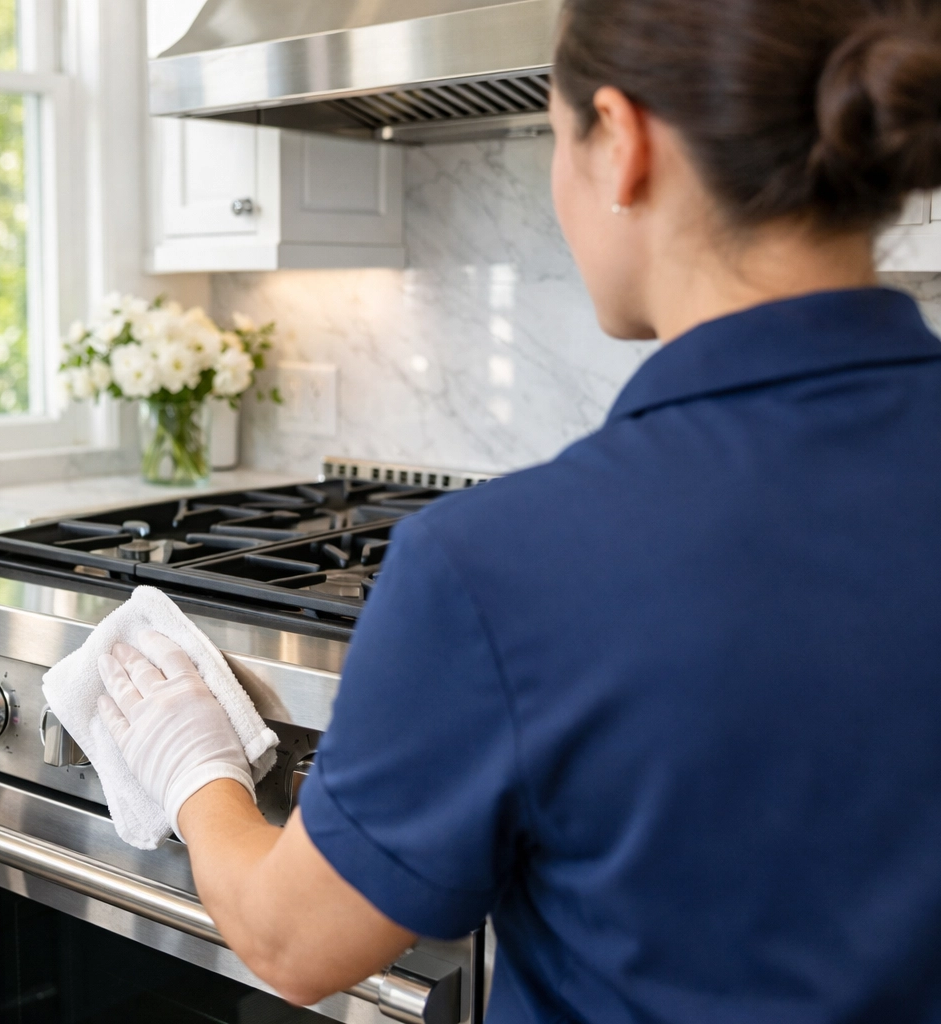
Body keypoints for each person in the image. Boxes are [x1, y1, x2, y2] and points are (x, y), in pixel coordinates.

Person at [94, 0, 941, 1020]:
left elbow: (290, 940)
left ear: (621, 144)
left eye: (557, 134)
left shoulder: (498, 565)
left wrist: (193, 762)